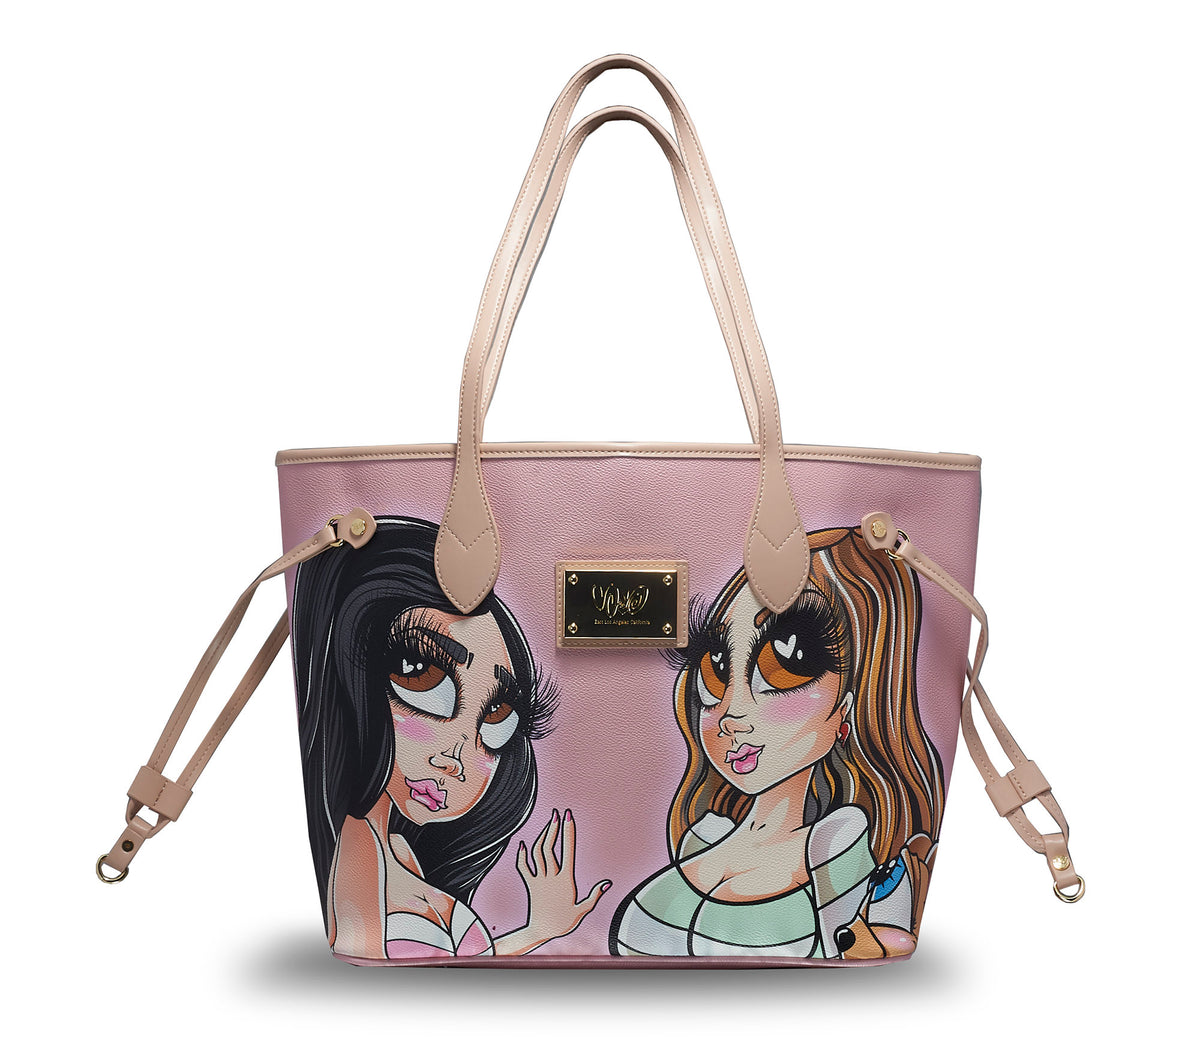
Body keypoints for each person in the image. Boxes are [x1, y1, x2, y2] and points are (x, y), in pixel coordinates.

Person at [610, 524, 943, 960]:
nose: (731, 713)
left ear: (851, 704)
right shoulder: (703, 836)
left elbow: (864, 948)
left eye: (786, 663)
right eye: (716, 668)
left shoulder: (835, 843)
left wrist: (884, 922)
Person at [292, 516, 608, 960]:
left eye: (496, 717)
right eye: (420, 675)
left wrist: (541, 930)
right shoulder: (357, 847)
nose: (454, 758)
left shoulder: (398, 850)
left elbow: (454, 958)